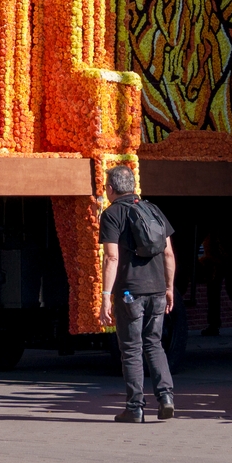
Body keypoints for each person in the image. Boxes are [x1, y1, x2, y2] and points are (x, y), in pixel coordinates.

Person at [98, 164, 177, 423]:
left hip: (130, 291)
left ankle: (135, 408)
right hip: (157, 289)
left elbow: (111, 257)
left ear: (110, 188)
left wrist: (105, 296)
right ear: (133, 186)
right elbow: (168, 253)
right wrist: (169, 287)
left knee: (131, 348)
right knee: (154, 343)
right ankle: (166, 398)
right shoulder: (153, 209)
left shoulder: (112, 214)